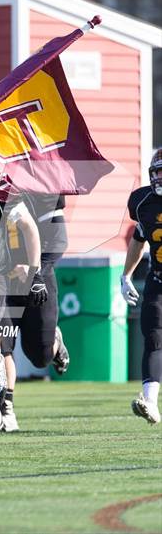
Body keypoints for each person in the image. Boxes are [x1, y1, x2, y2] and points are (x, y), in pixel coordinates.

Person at [0, 193, 70, 431]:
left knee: (40, 357)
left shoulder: (43, 190)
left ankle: (54, 341)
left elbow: (58, 240)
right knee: (0, 342)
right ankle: (5, 407)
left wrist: (34, 270)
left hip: (35, 279)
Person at [121, 148, 162, 425]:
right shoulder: (142, 201)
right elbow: (139, 237)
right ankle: (150, 401)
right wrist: (125, 275)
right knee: (154, 337)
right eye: (158, 172)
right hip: (158, 278)